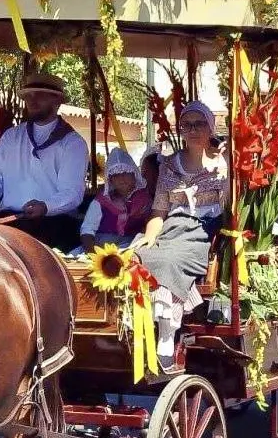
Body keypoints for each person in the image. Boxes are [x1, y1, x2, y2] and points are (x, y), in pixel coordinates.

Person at [130, 101, 227, 372]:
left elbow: (229, 209)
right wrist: (148, 237)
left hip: (203, 231)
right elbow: (159, 210)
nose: (193, 130)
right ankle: (139, 328)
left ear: (210, 127)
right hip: (171, 227)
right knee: (137, 255)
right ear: (180, 129)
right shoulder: (169, 166)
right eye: (187, 125)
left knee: (170, 261)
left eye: (200, 124)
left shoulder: (223, 166)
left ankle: (165, 337)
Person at [0, 73, 89, 251]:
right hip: (9, 224)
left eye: (40, 95)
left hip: (52, 227)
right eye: (28, 96)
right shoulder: (11, 136)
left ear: (57, 101)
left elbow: (72, 193)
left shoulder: (72, 143)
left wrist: (46, 206)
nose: (32, 101)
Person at [73, 148, 151, 255]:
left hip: (133, 244)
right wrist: (93, 253)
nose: (121, 178)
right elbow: (88, 229)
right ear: (110, 179)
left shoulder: (146, 198)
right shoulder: (101, 201)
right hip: (102, 246)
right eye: (116, 174)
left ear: (134, 174)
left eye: (125, 172)